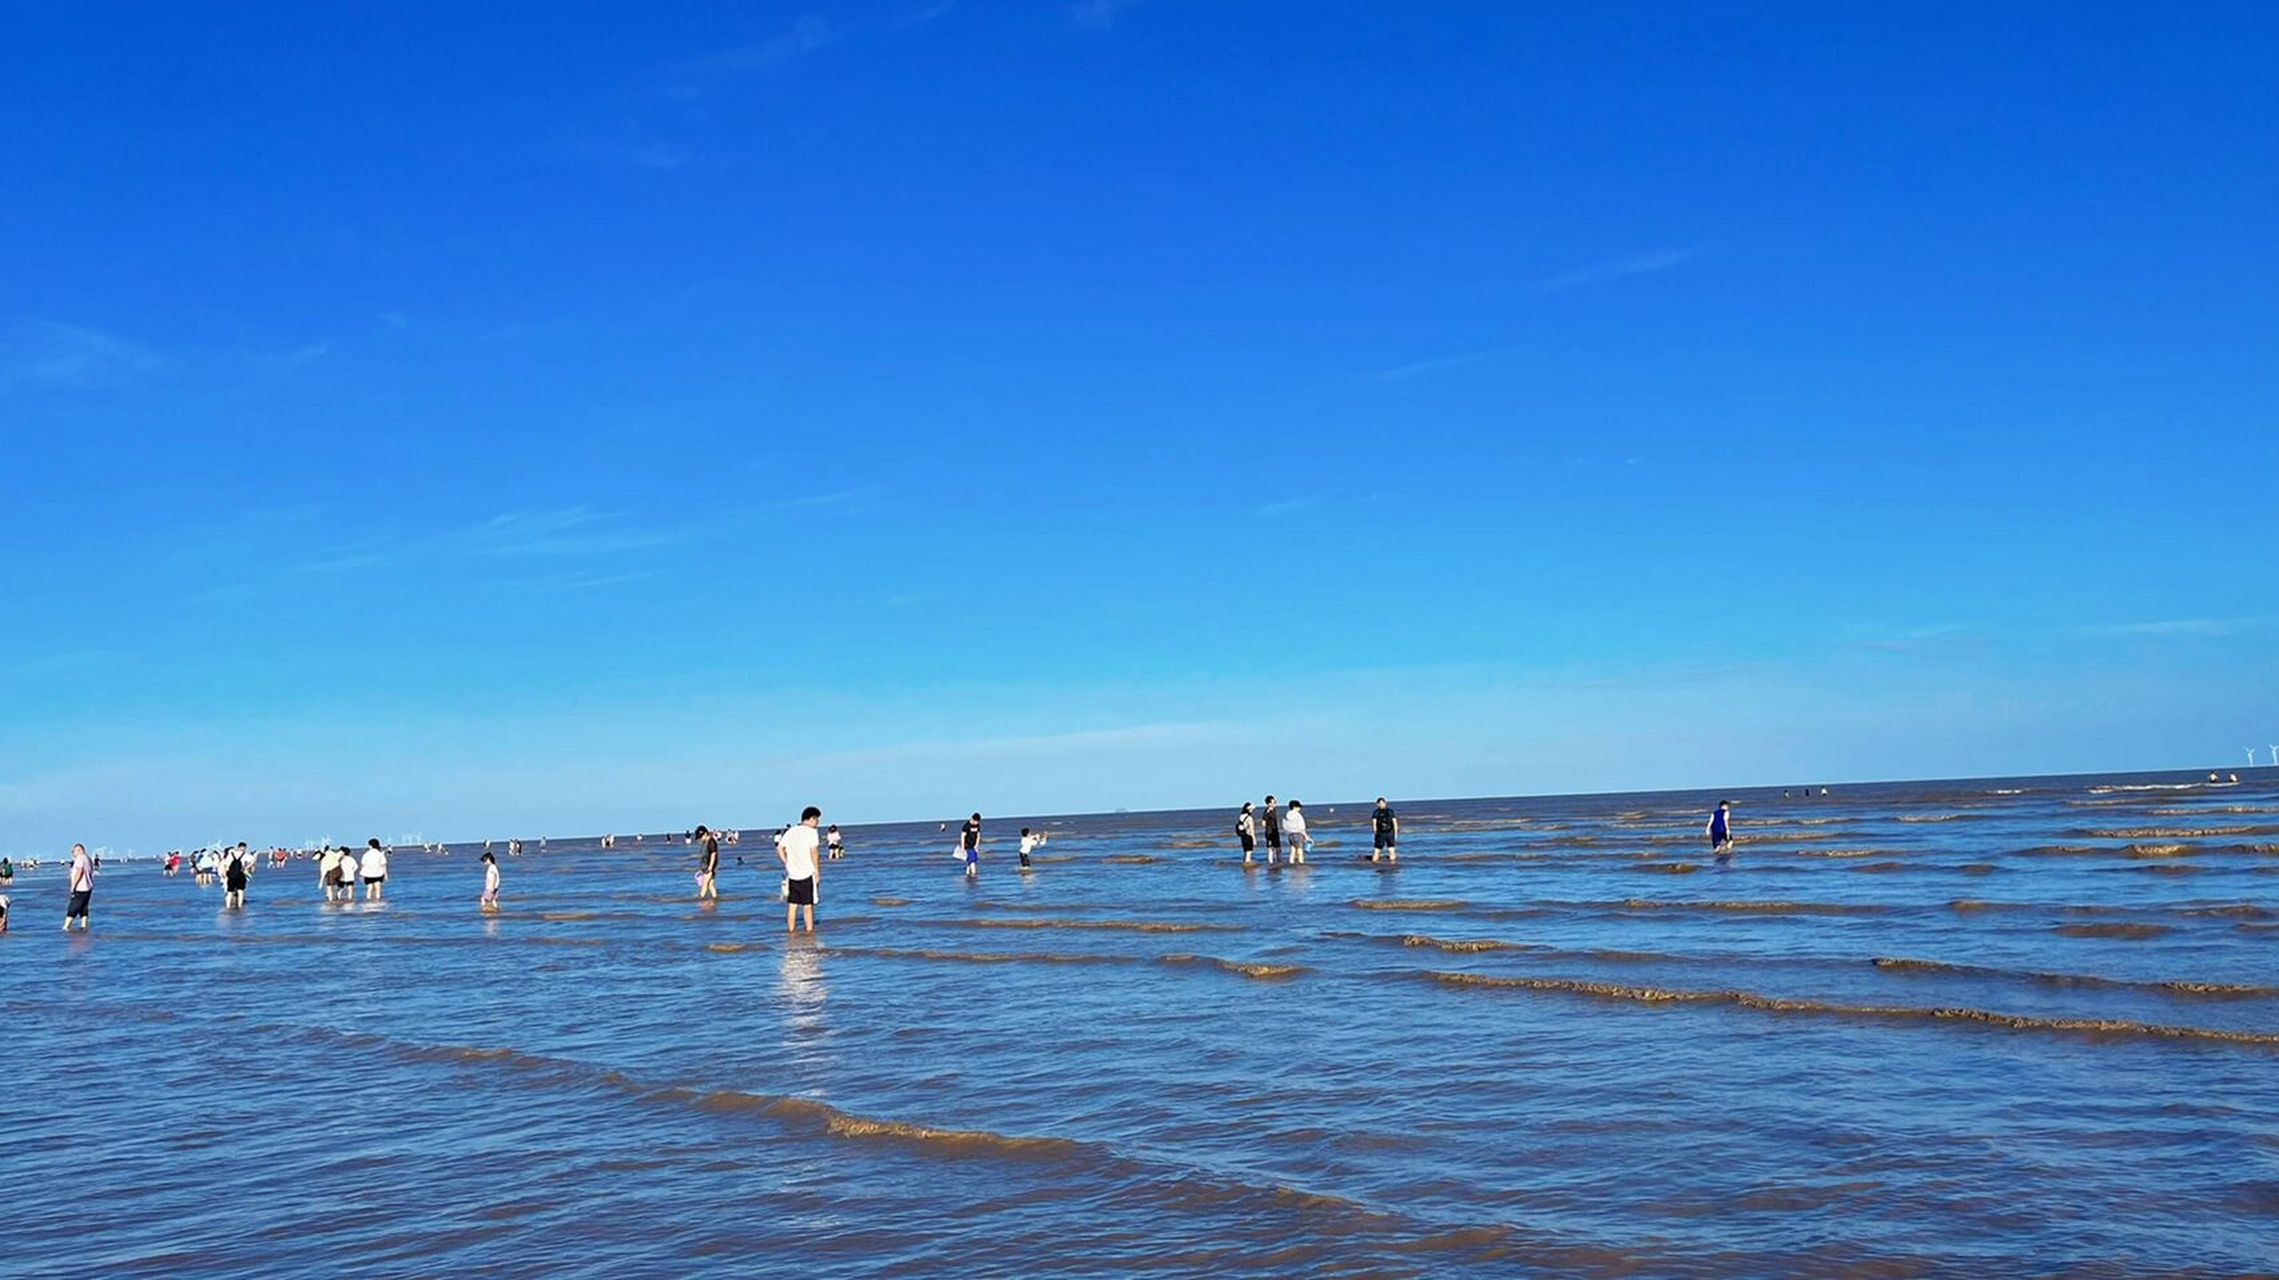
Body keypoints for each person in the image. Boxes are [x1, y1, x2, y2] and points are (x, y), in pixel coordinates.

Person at [779, 806, 823, 933]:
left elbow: (780, 848)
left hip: (793, 874)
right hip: (807, 873)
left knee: (792, 905)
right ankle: (809, 932)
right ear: (810, 819)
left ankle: (791, 931)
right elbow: (814, 852)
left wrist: (786, 863)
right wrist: (817, 871)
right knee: (807, 906)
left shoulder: (791, 831)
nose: (817, 823)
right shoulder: (811, 833)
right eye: (816, 820)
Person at [63, 842, 93, 931]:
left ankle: (66, 926)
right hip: (88, 887)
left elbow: (80, 871)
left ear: (79, 850)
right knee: (84, 907)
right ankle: (84, 925)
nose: (73, 854)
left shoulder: (80, 859)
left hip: (80, 887)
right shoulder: (88, 859)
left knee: (73, 907)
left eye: (73, 852)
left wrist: (73, 885)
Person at [1371, 797, 1400, 863]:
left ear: (1385, 803)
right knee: (1386, 849)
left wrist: (1395, 833)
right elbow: (1374, 824)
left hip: (1387, 833)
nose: (1382, 804)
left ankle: (1375, 863)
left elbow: (1395, 823)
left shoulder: (1379, 812)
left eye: (1383, 803)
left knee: (1385, 850)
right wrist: (1395, 834)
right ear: (1377, 804)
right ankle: (1391, 864)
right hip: (1385, 833)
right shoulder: (1379, 812)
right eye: (1380, 803)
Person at [694, 825, 720, 901]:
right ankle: (715, 900)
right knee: (710, 885)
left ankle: (700, 900)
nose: (700, 839)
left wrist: (710, 868)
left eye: (701, 837)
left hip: (709, 867)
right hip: (706, 867)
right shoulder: (704, 842)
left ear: (705, 834)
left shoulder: (711, 842)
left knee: (704, 885)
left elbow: (713, 854)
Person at [223, 843, 250, 910]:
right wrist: (246, 867)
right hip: (240, 874)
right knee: (240, 891)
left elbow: (226, 865)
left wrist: (226, 874)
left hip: (232, 875)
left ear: (238, 847)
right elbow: (253, 860)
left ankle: (228, 907)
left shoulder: (231, 854)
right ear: (245, 848)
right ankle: (240, 906)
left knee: (230, 892)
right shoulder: (245, 855)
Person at [960, 813, 982, 878]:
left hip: (974, 846)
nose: (976, 823)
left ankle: (968, 874)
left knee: (972, 860)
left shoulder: (977, 826)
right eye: (975, 822)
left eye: (978, 822)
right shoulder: (966, 826)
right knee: (972, 861)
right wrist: (963, 848)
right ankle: (974, 875)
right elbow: (962, 837)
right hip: (968, 846)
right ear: (972, 819)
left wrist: (977, 845)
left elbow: (978, 836)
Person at [1261, 795, 1281, 864]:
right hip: (1269, 832)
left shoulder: (1274, 810)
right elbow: (1263, 823)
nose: (1275, 803)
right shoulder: (1266, 811)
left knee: (1278, 847)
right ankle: (1271, 862)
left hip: (1275, 831)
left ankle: (1279, 861)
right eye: (1274, 802)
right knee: (1270, 848)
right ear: (1269, 803)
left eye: (1275, 802)